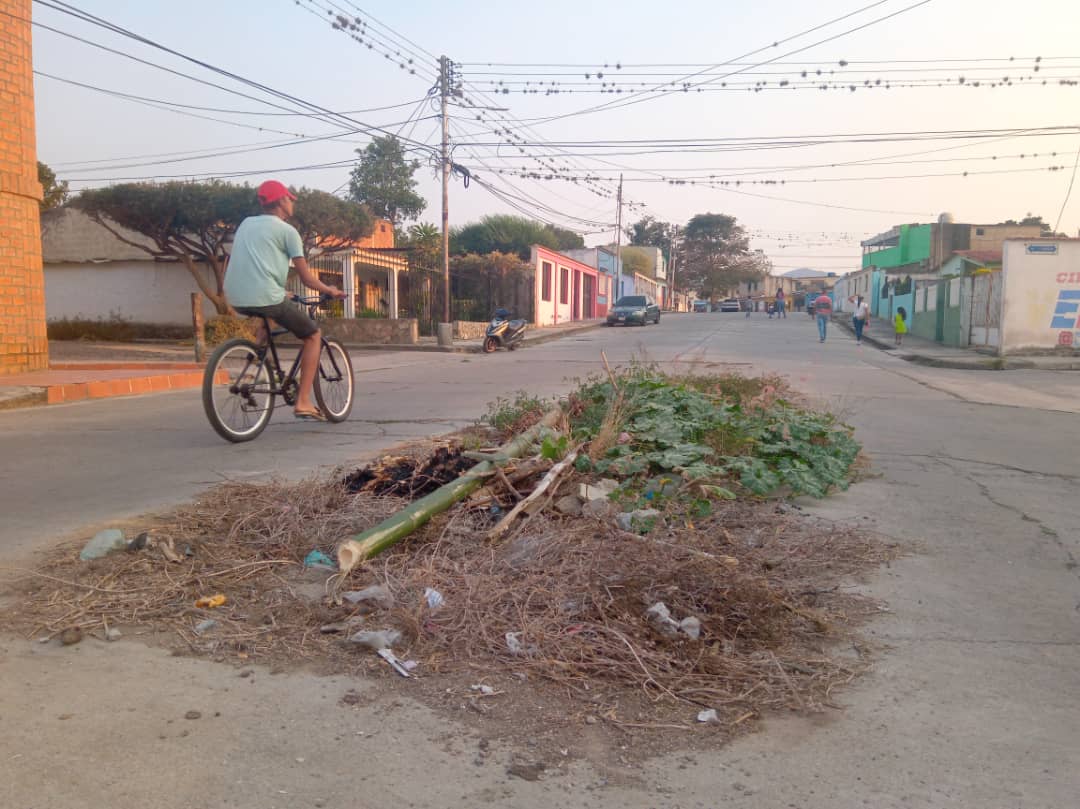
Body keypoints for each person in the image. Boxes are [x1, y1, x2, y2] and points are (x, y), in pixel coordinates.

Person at [223, 180, 346, 421]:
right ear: (280, 201)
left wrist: (281, 292)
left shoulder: (246, 224)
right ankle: (303, 401)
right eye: (289, 199)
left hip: (236, 296)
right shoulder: (288, 232)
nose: (292, 204)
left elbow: (258, 265)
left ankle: (257, 364)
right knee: (312, 336)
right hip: (267, 296)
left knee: (270, 314)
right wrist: (330, 290)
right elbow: (308, 279)